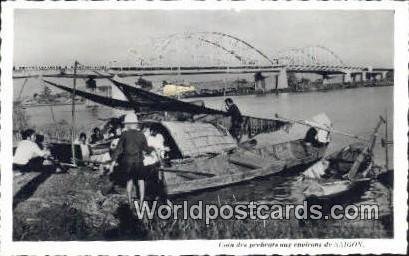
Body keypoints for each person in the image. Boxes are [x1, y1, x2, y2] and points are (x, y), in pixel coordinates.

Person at [109, 113, 153, 209]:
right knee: (141, 181)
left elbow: (118, 149)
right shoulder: (141, 135)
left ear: (128, 124)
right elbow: (146, 149)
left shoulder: (124, 135)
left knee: (130, 181)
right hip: (138, 162)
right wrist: (152, 149)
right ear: (136, 124)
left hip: (127, 162)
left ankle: (129, 203)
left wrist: (112, 163)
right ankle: (141, 202)